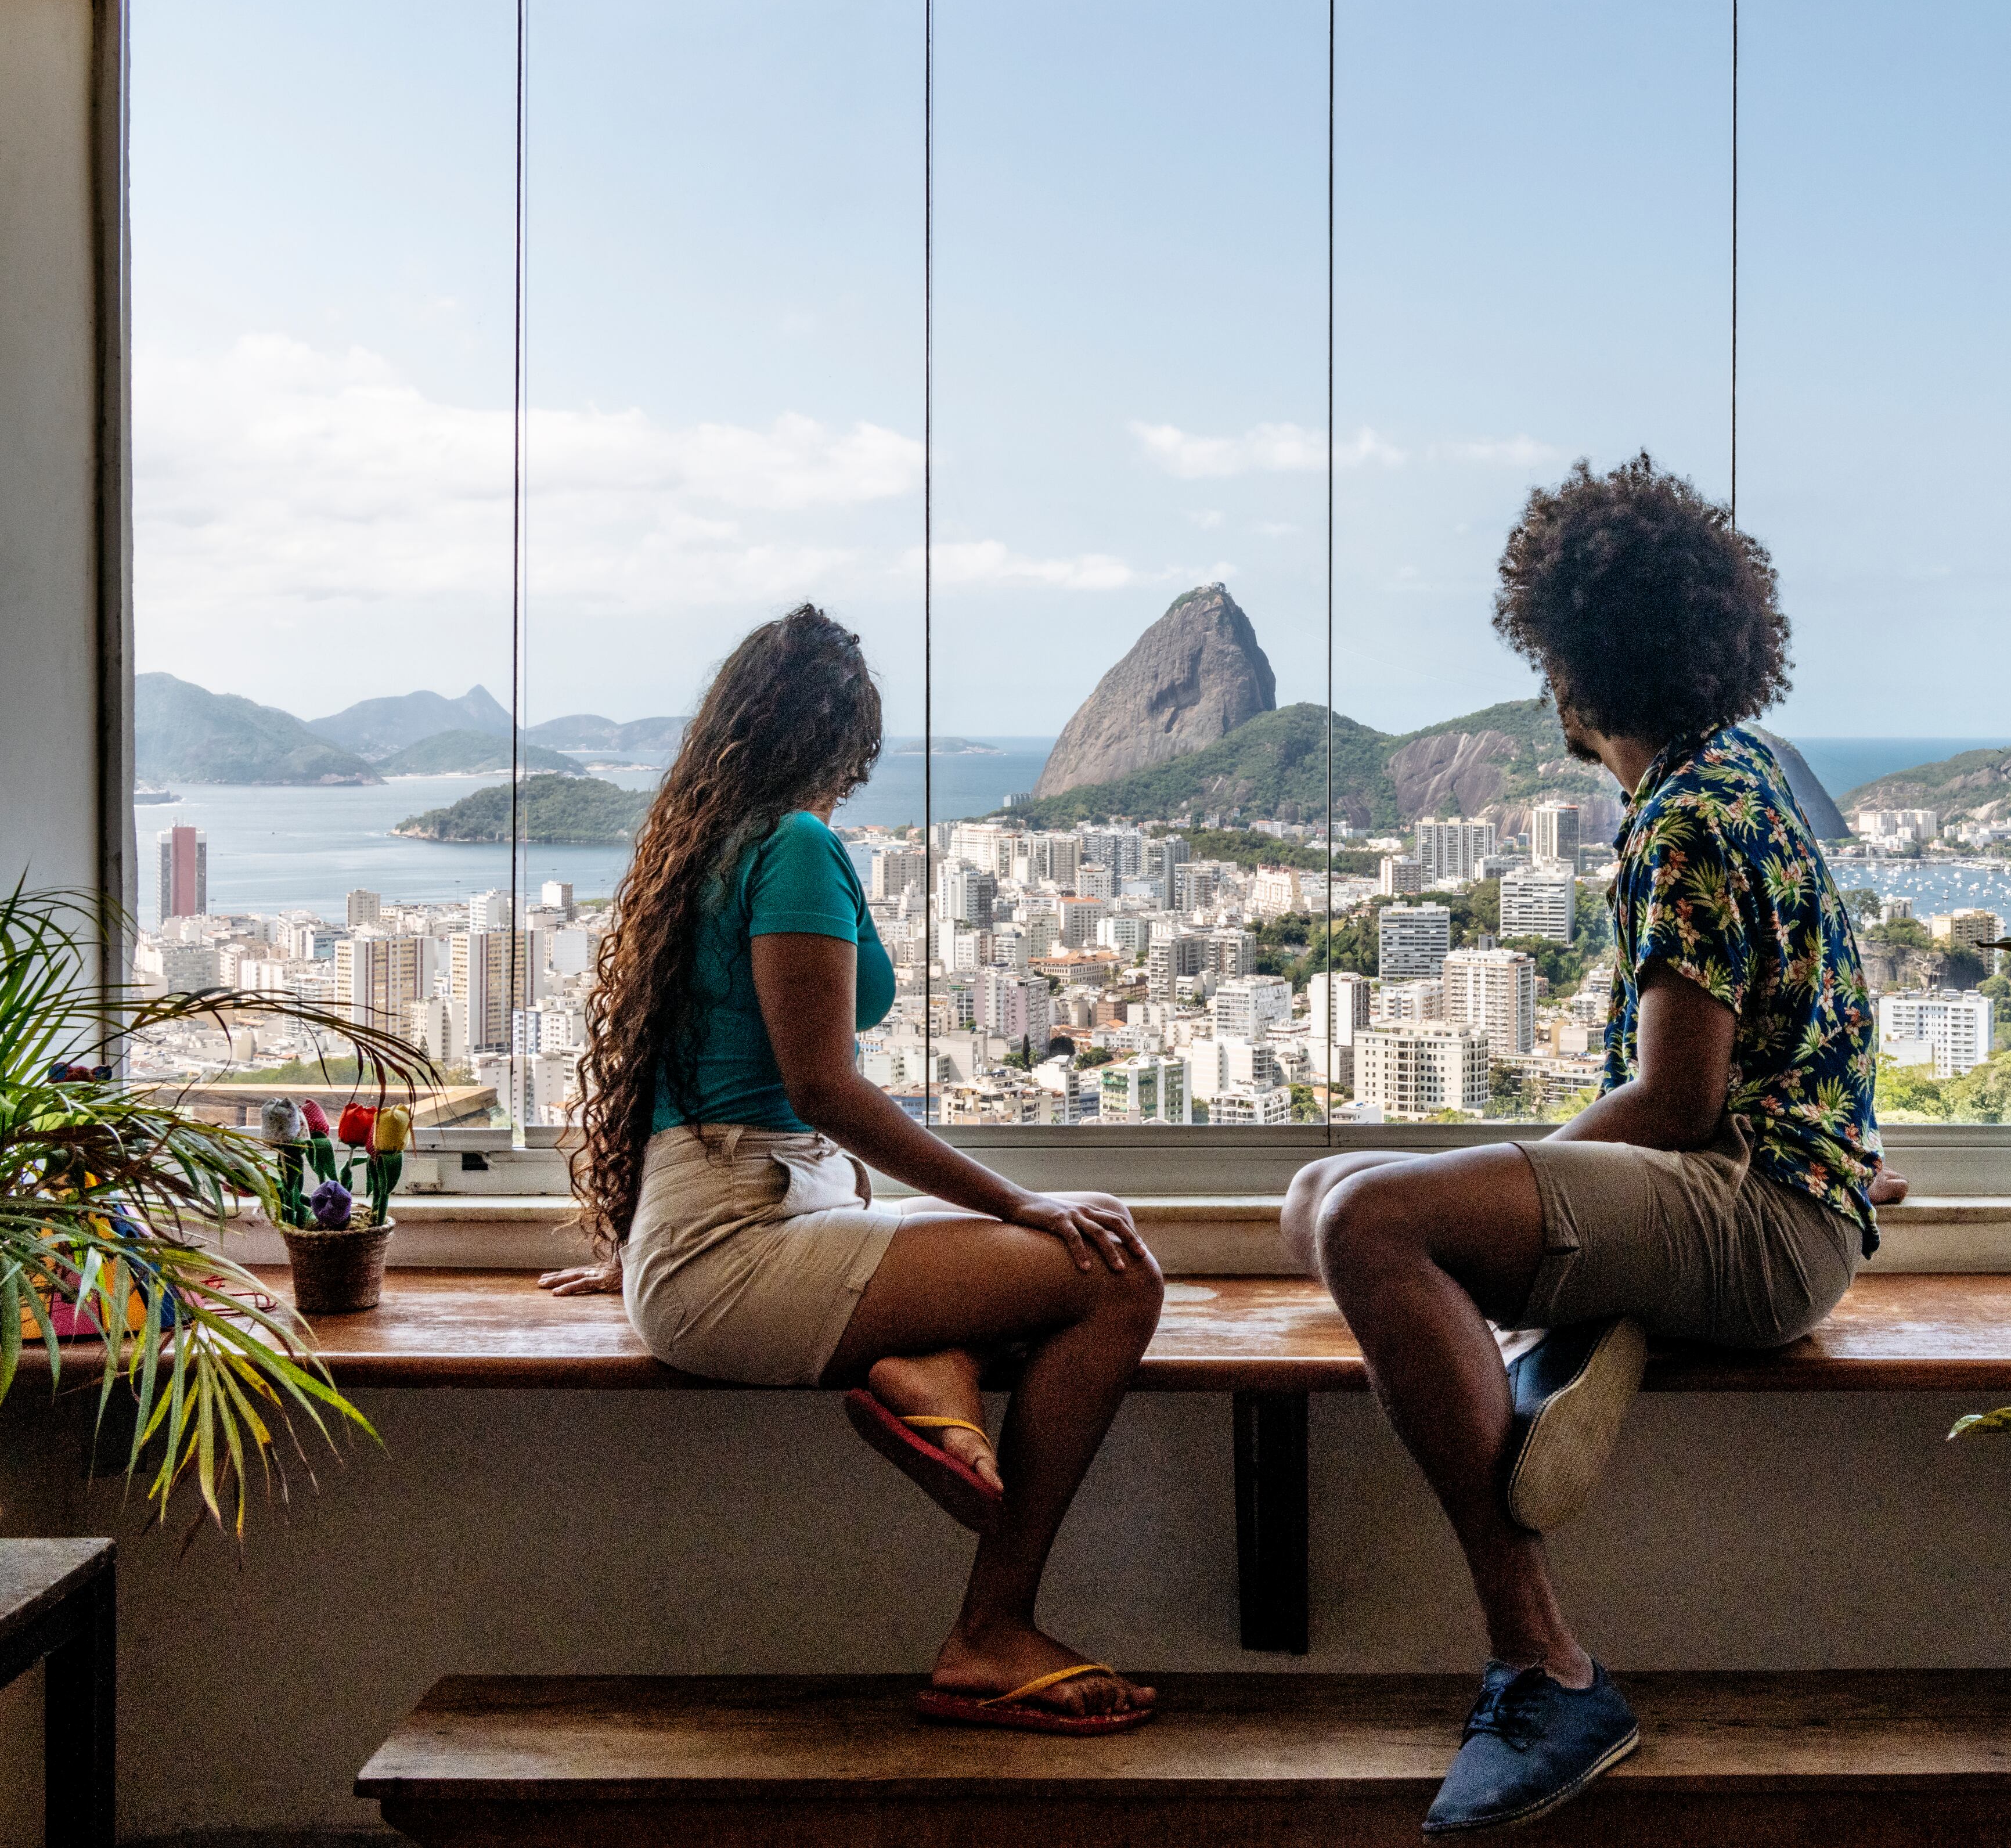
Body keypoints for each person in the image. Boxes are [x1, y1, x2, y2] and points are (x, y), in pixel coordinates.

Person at [1282, 455, 1903, 1833]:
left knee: (1367, 1223)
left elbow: (1680, 1101)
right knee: (1322, 1189)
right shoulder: (1736, 777)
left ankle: (1543, 1661)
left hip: (1753, 1218)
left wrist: (1532, 1168)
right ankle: (1563, 1337)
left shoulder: (1685, 818)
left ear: (1572, 663)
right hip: (1771, 1198)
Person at [538, 605, 1163, 1734]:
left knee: (1031, 1257)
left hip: (728, 1225)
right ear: (845, 747)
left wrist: (641, 1250)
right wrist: (1017, 1197)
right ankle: (992, 1629)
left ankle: (932, 1369)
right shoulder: (794, 846)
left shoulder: (697, 849)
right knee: (1111, 1271)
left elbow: (690, 1084)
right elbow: (822, 1085)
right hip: (741, 1238)